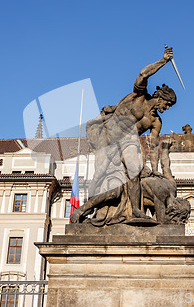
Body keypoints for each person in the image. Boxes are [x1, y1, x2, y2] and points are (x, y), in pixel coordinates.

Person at [70, 47, 177, 225]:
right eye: (166, 104)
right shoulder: (139, 97)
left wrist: (155, 169)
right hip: (108, 138)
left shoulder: (156, 122)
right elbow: (143, 75)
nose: (166, 109)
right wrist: (163, 61)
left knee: (134, 170)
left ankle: (135, 209)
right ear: (160, 97)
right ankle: (86, 210)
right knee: (99, 175)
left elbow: (154, 146)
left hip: (129, 140)